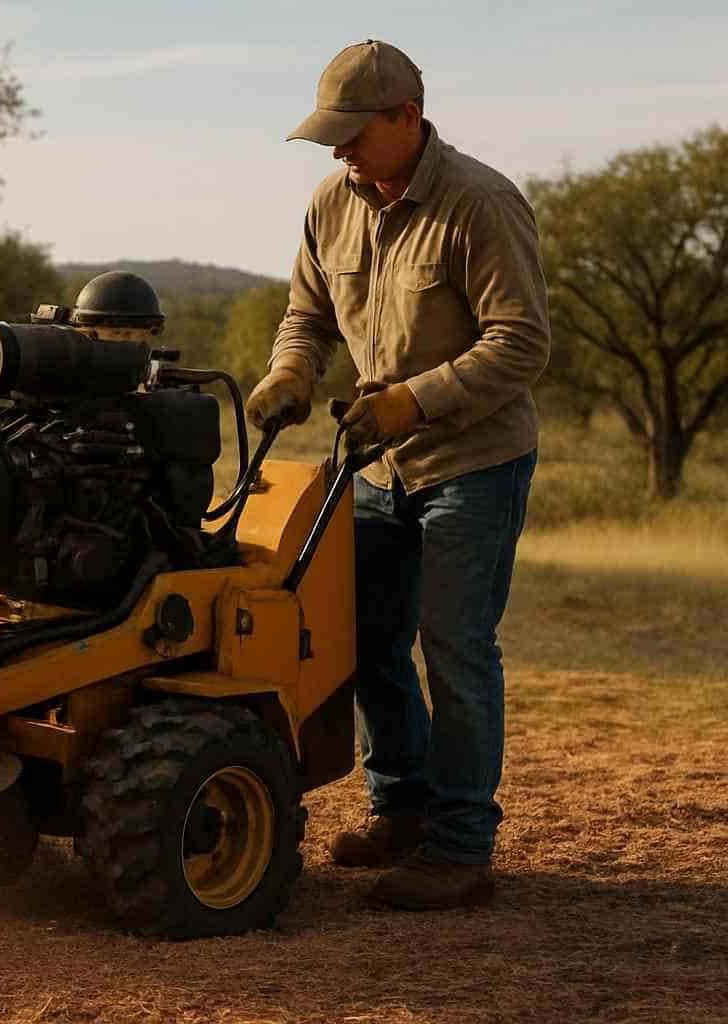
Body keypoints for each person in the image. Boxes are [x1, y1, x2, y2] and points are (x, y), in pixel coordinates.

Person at [245, 40, 550, 910]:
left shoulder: (481, 203)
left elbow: (521, 345)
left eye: (351, 134)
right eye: (329, 137)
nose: (339, 151)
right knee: (366, 642)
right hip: (375, 464)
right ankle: (402, 809)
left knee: (454, 650)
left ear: (405, 118)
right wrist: (290, 373)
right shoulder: (329, 204)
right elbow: (305, 315)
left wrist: (412, 403)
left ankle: (460, 850)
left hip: (473, 462)